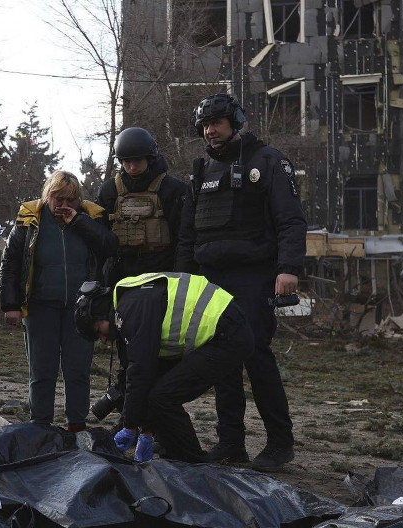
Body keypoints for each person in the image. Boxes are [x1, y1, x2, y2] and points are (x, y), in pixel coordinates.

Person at [175, 93, 307, 471]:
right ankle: (231, 443)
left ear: (235, 123)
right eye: (205, 125)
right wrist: (184, 280)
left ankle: (280, 443)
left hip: (254, 276)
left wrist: (288, 268)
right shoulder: (201, 171)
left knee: (256, 356)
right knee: (221, 362)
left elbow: (290, 220)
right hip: (210, 280)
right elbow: (188, 235)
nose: (210, 131)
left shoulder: (268, 161)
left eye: (216, 123)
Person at [73, 273, 253, 463]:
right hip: (225, 328)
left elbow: (140, 373)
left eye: (98, 331)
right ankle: (175, 454)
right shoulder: (127, 301)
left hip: (227, 336)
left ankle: (194, 463)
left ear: (102, 314)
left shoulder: (132, 312)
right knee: (160, 394)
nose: (103, 339)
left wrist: (130, 426)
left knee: (164, 398)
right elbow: (138, 374)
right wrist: (146, 430)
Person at [0, 170, 118, 432]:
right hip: (40, 306)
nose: (63, 205)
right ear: (47, 196)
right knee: (42, 370)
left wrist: (78, 221)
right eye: (58, 198)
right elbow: (11, 263)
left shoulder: (91, 218)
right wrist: (10, 305)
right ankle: (40, 425)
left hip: (82, 310)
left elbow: (110, 247)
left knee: (78, 370)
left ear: (78, 200)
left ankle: (76, 425)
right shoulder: (30, 219)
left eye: (70, 200)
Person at [93, 127, 187, 421]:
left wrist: (181, 283)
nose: (131, 167)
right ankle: (131, 420)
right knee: (129, 357)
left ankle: (154, 424)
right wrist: (103, 298)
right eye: (126, 161)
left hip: (162, 283)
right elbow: (100, 245)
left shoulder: (173, 189)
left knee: (162, 358)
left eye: (137, 160)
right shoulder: (109, 191)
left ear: (150, 157)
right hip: (124, 284)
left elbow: (185, 240)